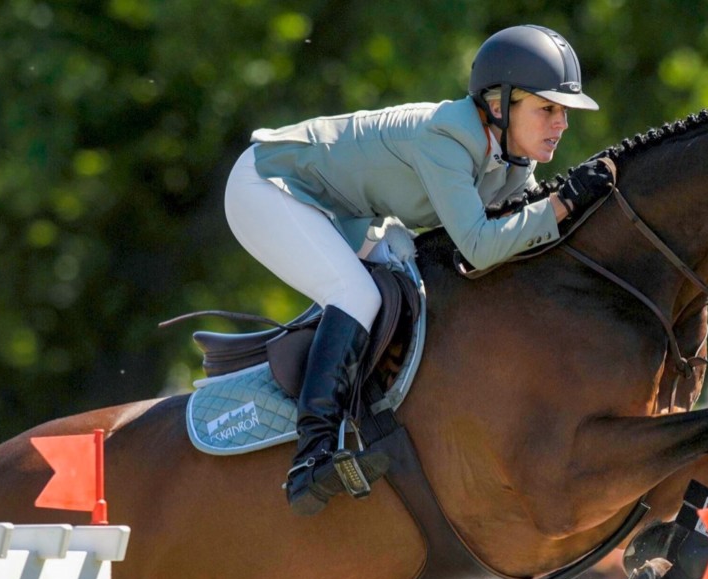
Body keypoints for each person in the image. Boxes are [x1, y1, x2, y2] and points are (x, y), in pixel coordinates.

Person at [223, 24, 615, 516]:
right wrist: (562, 203)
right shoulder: (446, 137)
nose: (561, 124)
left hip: (346, 213)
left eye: (563, 112)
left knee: (407, 274)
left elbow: (516, 233)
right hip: (269, 187)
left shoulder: (512, 160)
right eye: (548, 109)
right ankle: (312, 456)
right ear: (498, 104)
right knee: (357, 296)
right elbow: (478, 246)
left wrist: (570, 207)